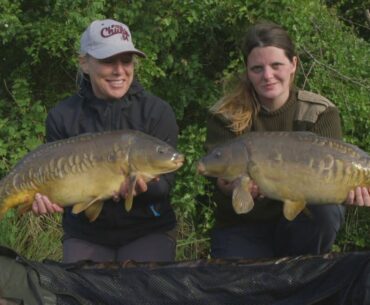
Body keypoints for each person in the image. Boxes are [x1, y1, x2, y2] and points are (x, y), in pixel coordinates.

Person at [205, 22, 370, 259]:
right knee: (243, 290)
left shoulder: (320, 112)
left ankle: (303, 270)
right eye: (257, 69)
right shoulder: (225, 114)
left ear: (293, 64)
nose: (268, 76)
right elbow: (217, 180)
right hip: (242, 226)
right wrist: (228, 186)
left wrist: (352, 192)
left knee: (328, 211)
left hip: (300, 225)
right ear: (247, 70)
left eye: (276, 65)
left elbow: (333, 183)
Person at [31, 19, 179, 263]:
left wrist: (142, 187)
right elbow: (55, 182)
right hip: (86, 233)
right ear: (85, 63)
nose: (120, 70)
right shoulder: (63, 116)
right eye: (108, 61)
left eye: (126, 60)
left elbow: (164, 187)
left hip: (147, 229)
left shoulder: (157, 112)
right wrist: (42, 198)